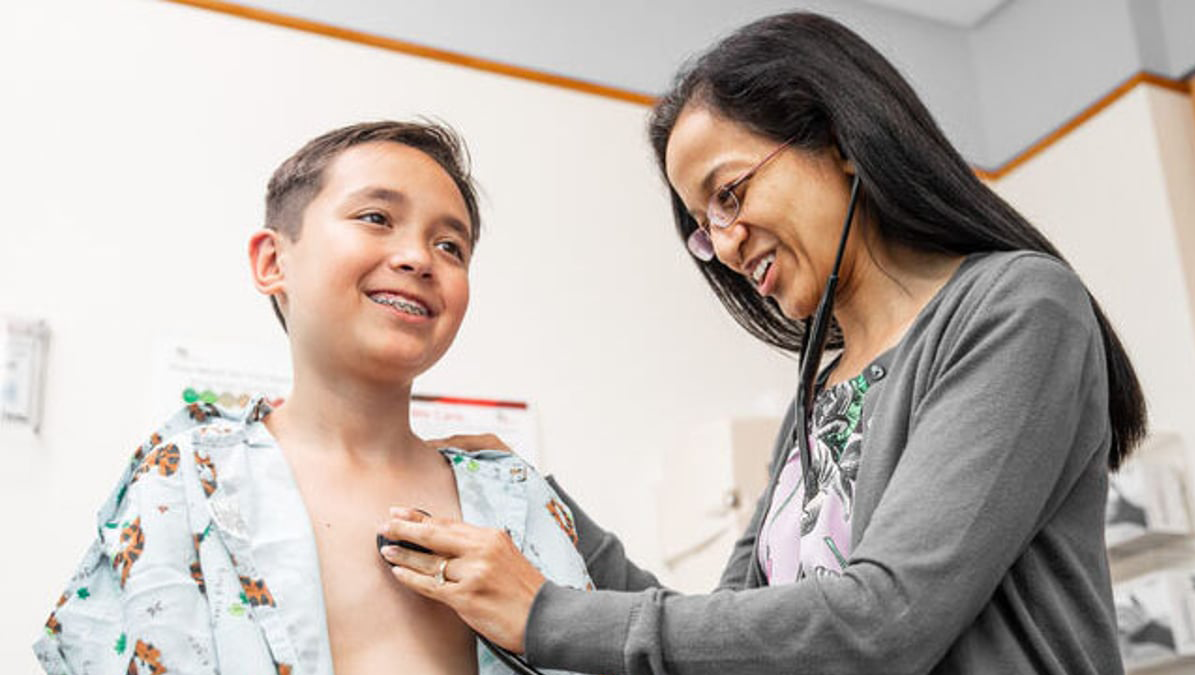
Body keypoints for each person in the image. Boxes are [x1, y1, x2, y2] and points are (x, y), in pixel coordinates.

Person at [378, 12, 1147, 675]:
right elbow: (732, 629)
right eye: (704, 226)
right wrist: (544, 500)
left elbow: (886, 620)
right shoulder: (817, 395)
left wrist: (544, 615)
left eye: (729, 194)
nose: (727, 241)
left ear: (840, 139)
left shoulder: (1018, 306)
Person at [34, 121, 592, 675]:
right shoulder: (183, 480)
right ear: (273, 262)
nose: (419, 258)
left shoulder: (516, 499)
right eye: (376, 218)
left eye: (450, 246)